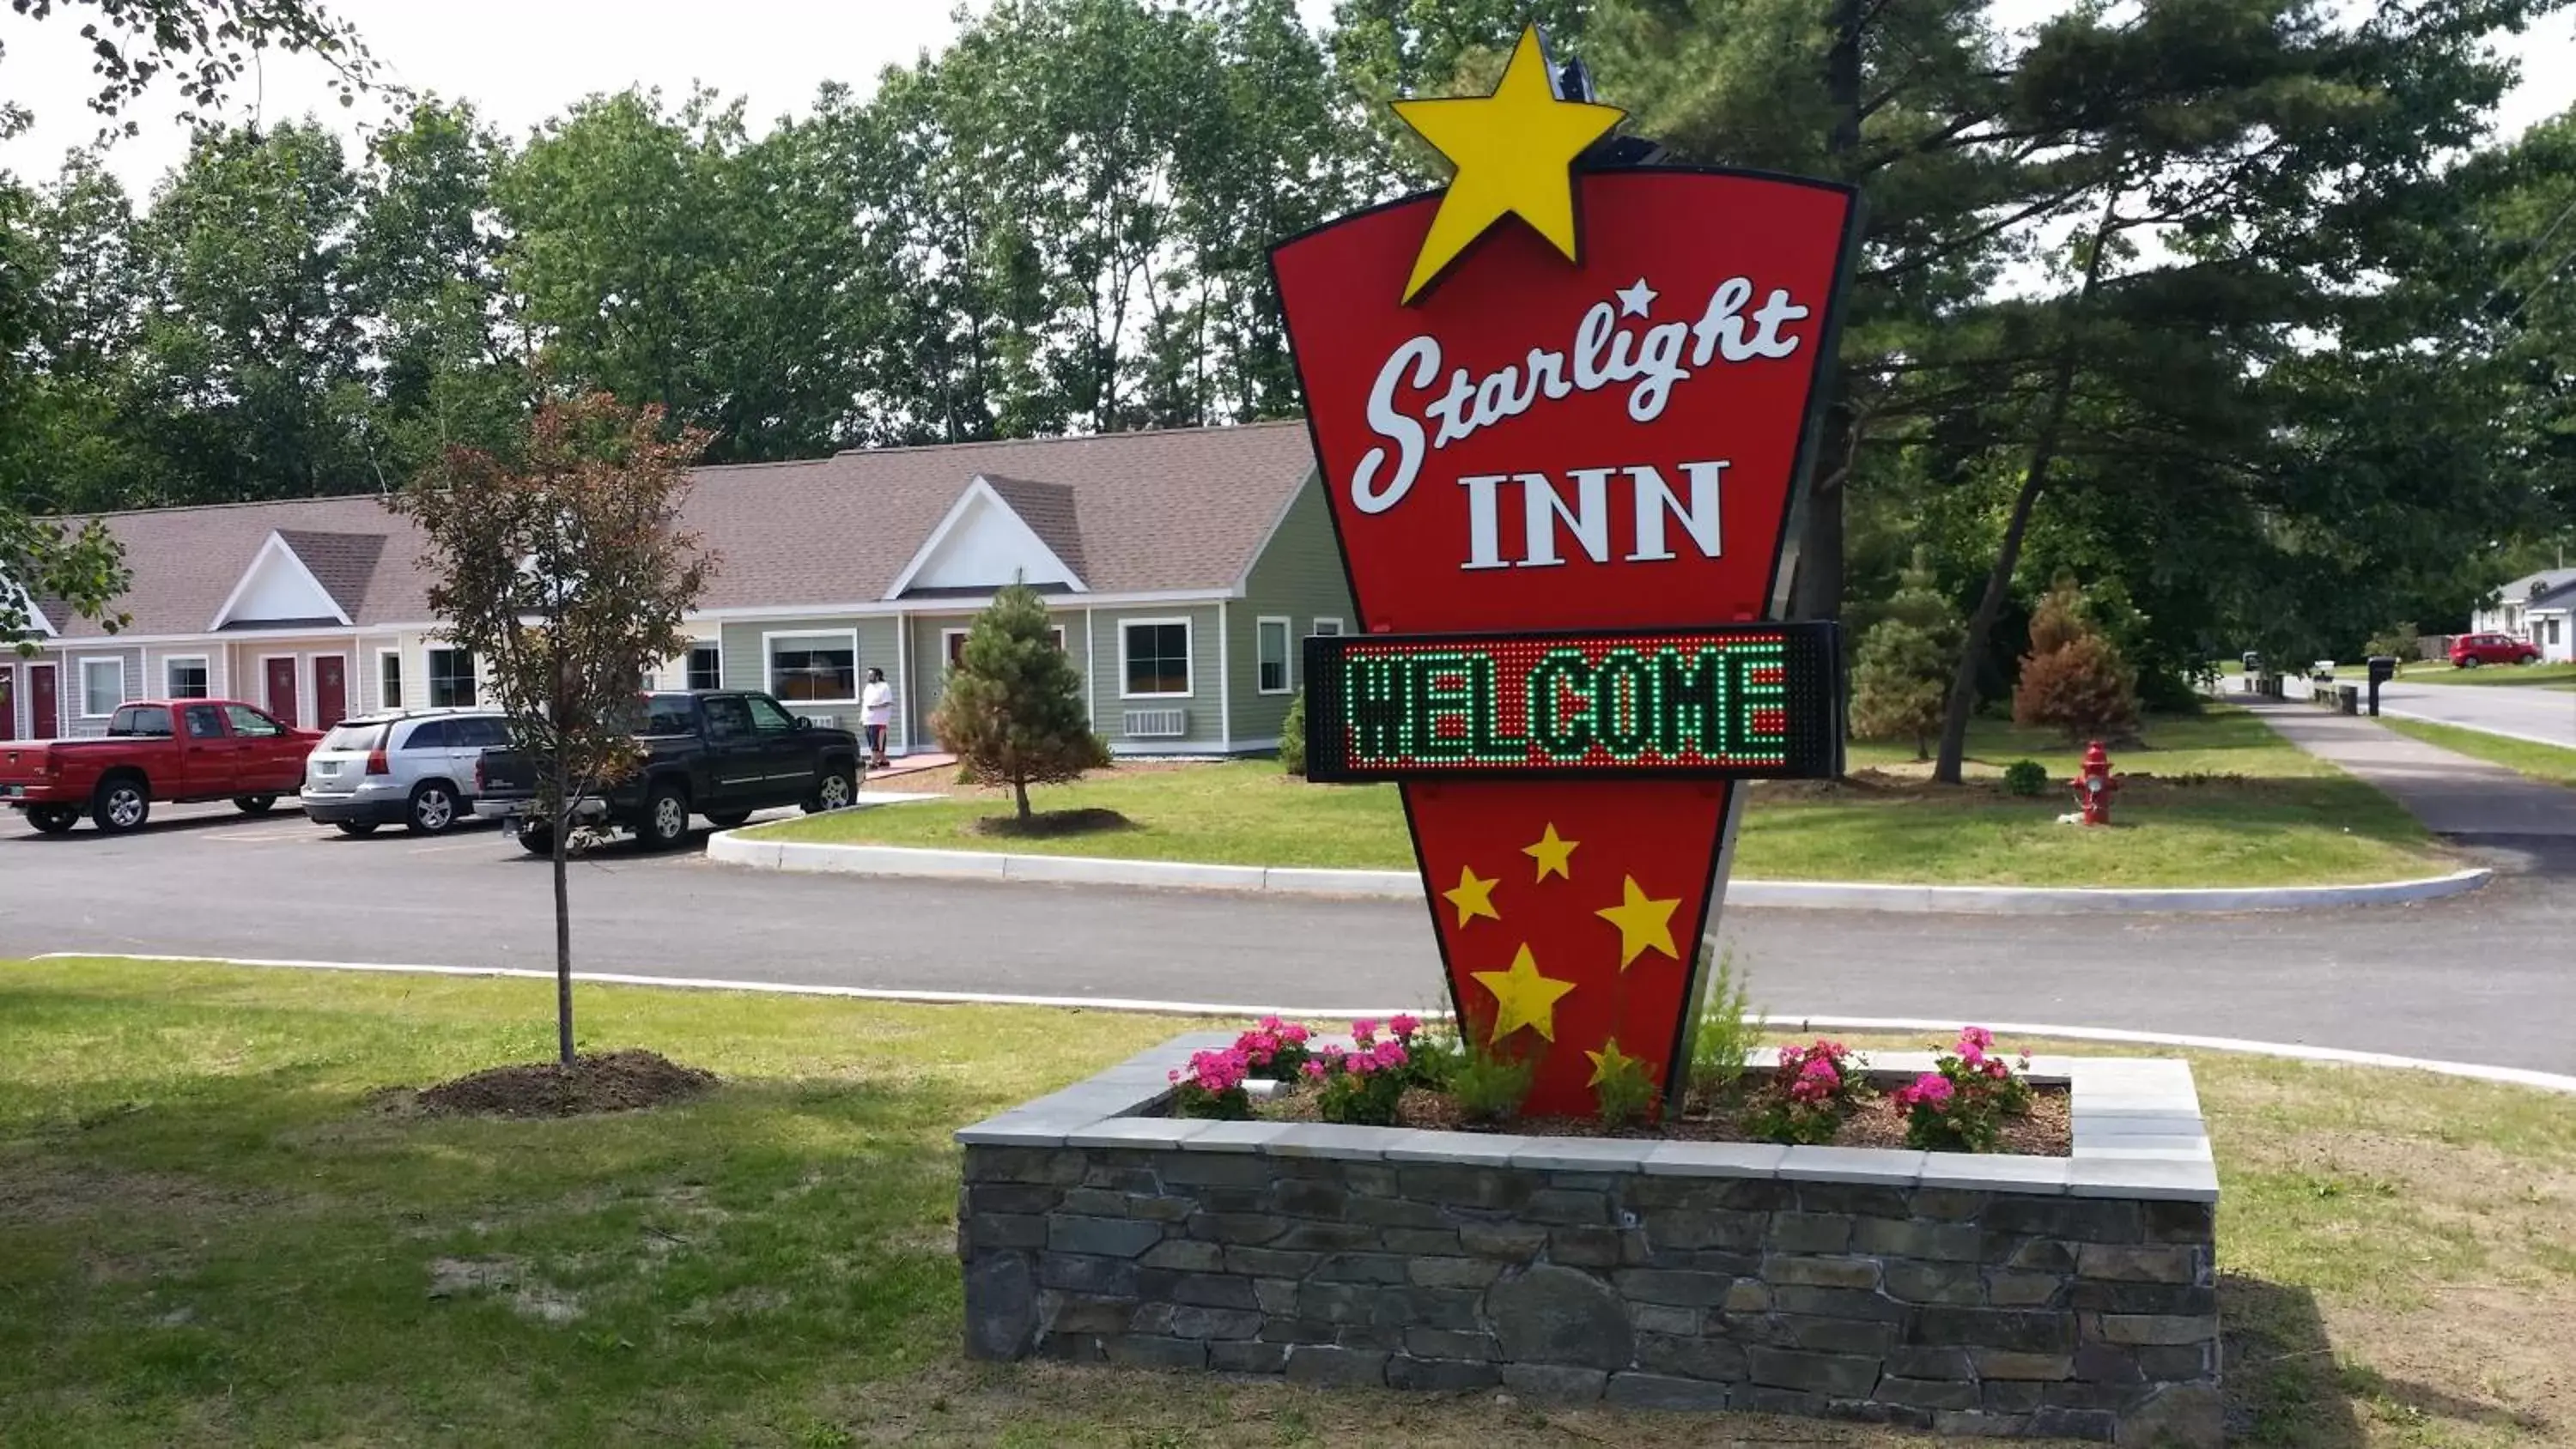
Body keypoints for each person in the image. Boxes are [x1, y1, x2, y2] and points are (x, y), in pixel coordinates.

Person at [860, 666, 895, 768]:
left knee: (877, 742)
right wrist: (861, 717)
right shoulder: (868, 687)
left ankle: (873, 762)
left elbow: (887, 703)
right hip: (867, 719)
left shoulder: (884, 687)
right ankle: (883, 761)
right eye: (868, 675)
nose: (869, 677)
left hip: (879, 719)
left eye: (871, 675)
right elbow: (865, 703)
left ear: (878, 676)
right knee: (871, 741)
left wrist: (874, 707)